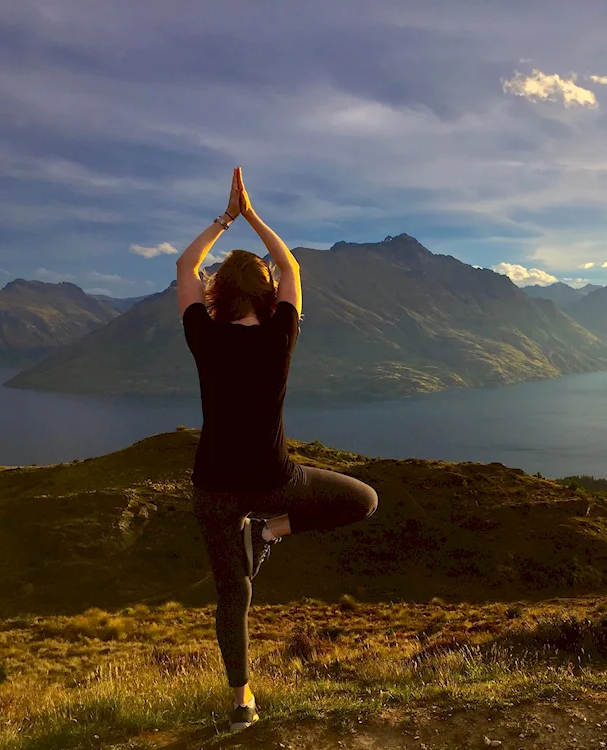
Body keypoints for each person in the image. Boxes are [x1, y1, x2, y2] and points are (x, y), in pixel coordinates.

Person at [176, 167, 379, 733]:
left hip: (213, 485)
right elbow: (289, 266)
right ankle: (267, 531)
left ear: (218, 294)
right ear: (265, 294)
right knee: (362, 500)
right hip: (273, 481)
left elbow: (184, 268)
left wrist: (224, 218)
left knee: (231, 595)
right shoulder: (280, 334)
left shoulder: (203, 333)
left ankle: (242, 701)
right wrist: (253, 215)